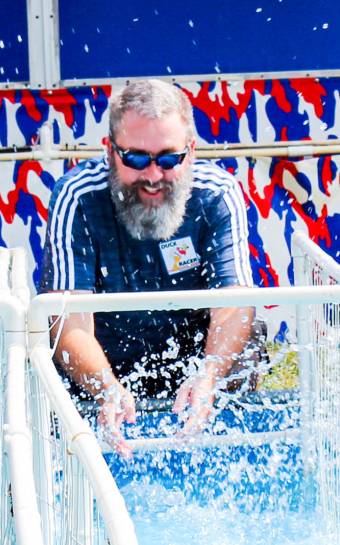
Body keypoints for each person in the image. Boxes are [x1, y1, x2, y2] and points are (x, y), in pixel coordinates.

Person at [41, 78, 256, 451]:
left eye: (169, 159)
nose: (153, 176)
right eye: (136, 158)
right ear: (110, 152)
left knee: (243, 349)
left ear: (190, 153)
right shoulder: (77, 197)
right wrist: (104, 387)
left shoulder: (217, 194)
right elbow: (65, 320)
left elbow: (235, 307)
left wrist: (207, 377)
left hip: (193, 361)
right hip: (106, 361)